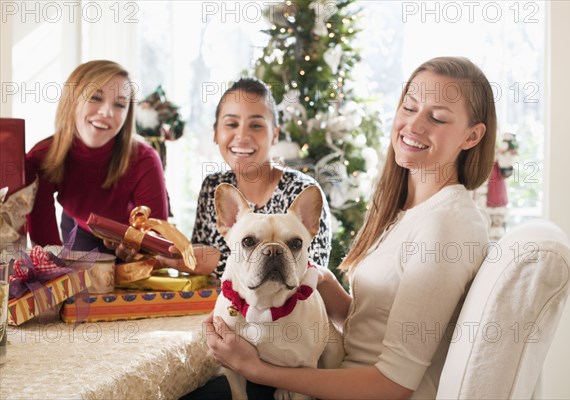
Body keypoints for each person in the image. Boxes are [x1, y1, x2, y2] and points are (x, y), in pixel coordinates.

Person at [202, 56, 497, 399]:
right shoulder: (408, 210)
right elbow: (373, 326)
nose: (413, 125)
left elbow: (393, 385)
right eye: (409, 107)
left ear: (472, 136)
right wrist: (328, 287)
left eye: (437, 117)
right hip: (337, 375)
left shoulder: (446, 226)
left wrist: (256, 369)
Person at [151, 77, 332, 277]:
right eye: (231, 124)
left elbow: (315, 278)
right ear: (215, 133)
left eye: (256, 126)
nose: (242, 135)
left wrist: (217, 262)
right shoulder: (213, 187)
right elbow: (199, 270)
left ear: (274, 134)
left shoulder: (301, 190)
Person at [26, 60, 169, 253]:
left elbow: (157, 241)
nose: (106, 112)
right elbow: (45, 249)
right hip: (79, 225)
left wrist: (138, 252)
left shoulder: (145, 159)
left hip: (128, 236)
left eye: (119, 104)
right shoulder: (41, 158)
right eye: (95, 97)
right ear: (72, 100)